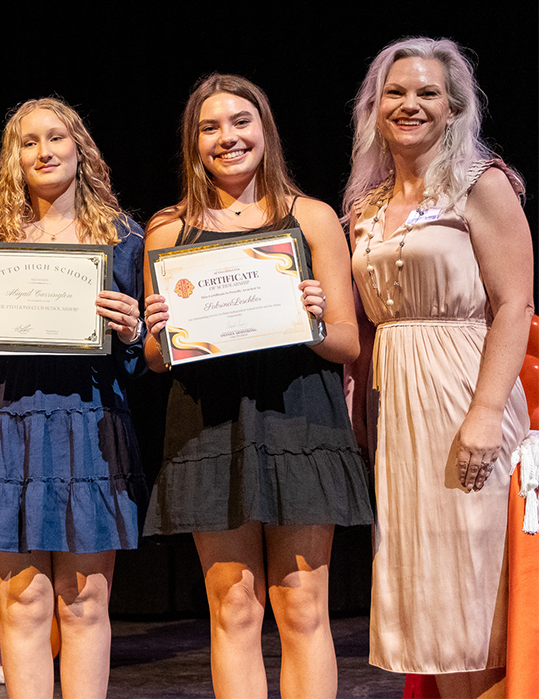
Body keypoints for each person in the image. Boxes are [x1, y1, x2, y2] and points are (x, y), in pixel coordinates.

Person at [141, 73, 374, 699]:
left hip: (299, 417)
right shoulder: (168, 230)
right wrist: (159, 335)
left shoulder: (314, 218)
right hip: (208, 427)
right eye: (210, 127)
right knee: (234, 608)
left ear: (264, 130)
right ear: (193, 143)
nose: (228, 137)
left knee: (301, 606)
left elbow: (347, 344)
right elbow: (158, 360)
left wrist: (311, 318)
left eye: (241, 122)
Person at [344, 37, 533, 699]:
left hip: (464, 393)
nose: (410, 104)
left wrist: (484, 416)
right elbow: (364, 324)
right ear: (374, 107)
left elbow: (514, 305)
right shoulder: (364, 207)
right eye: (395, 92)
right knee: (431, 600)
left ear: (454, 108)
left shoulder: (481, 185)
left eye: (427, 92)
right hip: (397, 408)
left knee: (473, 597)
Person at [0, 97, 148, 699]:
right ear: (14, 158)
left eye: (56, 137)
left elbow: (143, 357)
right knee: (24, 600)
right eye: (28, 142)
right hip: (9, 420)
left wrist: (134, 330)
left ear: (79, 148)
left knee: (84, 602)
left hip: (89, 421)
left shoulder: (123, 238)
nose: (44, 151)